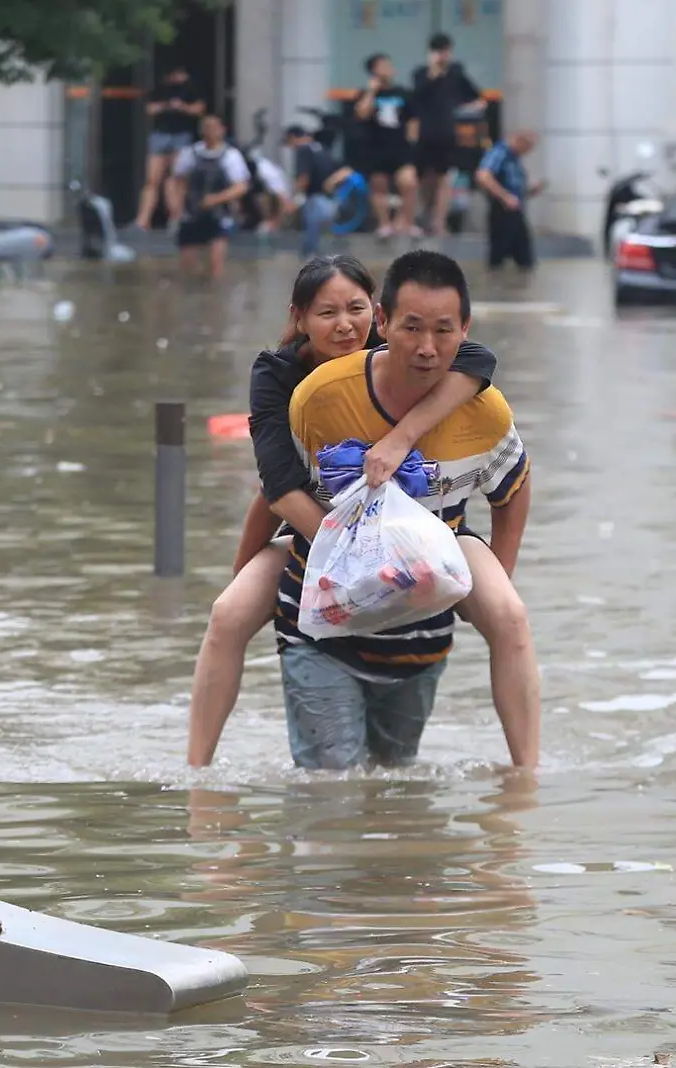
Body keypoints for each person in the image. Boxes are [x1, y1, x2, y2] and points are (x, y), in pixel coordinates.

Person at [185, 253, 541, 771]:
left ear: (374, 315)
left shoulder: (420, 356)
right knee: (228, 613)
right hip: (318, 526)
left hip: (433, 529)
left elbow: (478, 362)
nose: (343, 326)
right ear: (299, 319)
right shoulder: (291, 383)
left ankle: (525, 777)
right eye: (326, 313)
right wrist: (351, 550)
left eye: (354, 309)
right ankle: (197, 771)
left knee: (509, 614)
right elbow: (276, 490)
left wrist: (402, 436)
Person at [410, 34, 486, 236]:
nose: (444, 56)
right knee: (426, 177)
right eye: (439, 51)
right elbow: (416, 96)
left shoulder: (456, 73)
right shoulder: (421, 73)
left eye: (446, 51)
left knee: (444, 177)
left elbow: (477, 97)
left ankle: (439, 221)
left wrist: (464, 110)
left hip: (447, 132)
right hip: (426, 132)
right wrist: (433, 73)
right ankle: (425, 214)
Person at [167, 114, 250, 280]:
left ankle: (216, 298)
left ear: (222, 130)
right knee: (187, 267)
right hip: (191, 213)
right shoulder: (189, 153)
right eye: (206, 127)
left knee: (216, 265)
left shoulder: (231, 156)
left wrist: (216, 199)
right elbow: (177, 180)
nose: (210, 131)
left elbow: (241, 187)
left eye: (214, 127)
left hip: (219, 215)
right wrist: (175, 206)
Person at [352, 54, 419, 239]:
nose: (387, 69)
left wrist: (411, 143)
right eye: (381, 66)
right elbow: (361, 114)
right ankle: (384, 224)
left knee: (409, 183)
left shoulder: (403, 93)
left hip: (399, 147)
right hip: (376, 147)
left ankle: (406, 221)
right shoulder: (365, 94)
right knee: (379, 186)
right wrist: (371, 91)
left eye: (388, 65)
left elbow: (413, 120)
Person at [136, 66, 205, 230]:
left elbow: (199, 109)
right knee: (153, 179)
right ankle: (143, 219)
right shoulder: (161, 90)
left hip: (181, 135)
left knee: (177, 178)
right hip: (161, 134)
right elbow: (149, 109)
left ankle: (176, 215)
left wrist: (182, 107)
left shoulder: (192, 89)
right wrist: (168, 105)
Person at [475, 129, 544, 271]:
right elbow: (483, 176)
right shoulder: (500, 153)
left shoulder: (515, 159)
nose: (528, 152)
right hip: (502, 211)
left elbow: (515, 186)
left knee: (525, 260)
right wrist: (505, 196)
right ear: (519, 140)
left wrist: (531, 190)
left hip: (516, 212)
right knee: (498, 257)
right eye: (528, 147)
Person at [285, 124, 358, 256]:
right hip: (332, 202)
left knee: (311, 248)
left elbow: (303, 178)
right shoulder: (321, 149)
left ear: (293, 138)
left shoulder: (303, 150)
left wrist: (294, 198)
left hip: (315, 201)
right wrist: (331, 182)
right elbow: (346, 170)